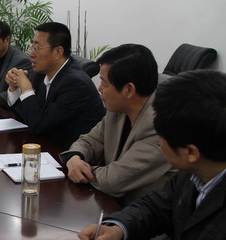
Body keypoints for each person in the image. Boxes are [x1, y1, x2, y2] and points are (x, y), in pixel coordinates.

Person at [66, 70, 226, 240]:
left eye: (161, 135)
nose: (157, 140)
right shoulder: (197, 169)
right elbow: (157, 206)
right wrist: (117, 228)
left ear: (191, 152)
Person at [59, 44, 175, 205]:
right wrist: (74, 158)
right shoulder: (118, 109)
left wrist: (83, 169)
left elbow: (113, 181)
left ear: (129, 90)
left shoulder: (160, 127)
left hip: (142, 213)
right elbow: (89, 141)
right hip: (109, 203)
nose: (99, 89)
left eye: (105, 84)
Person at [5, 22, 105, 149]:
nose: (31, 54)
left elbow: (39, 125)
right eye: (32, 47)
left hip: (71, 153)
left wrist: (26, 88)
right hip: (47, 145)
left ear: (58, 52)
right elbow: (26, 116)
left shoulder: (75, 84)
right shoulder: (41, 73)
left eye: (37, 48)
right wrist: (14, 88)